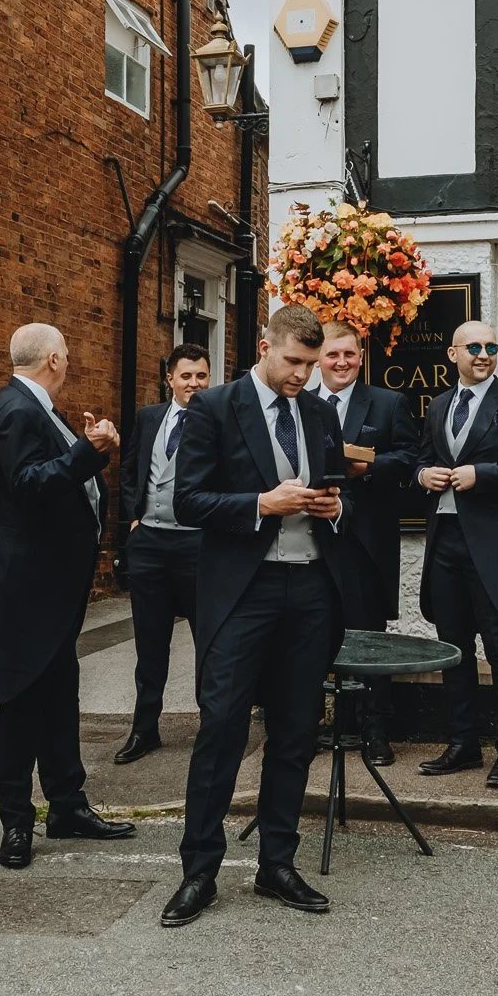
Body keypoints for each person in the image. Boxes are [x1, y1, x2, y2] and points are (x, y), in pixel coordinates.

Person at [160, 305, 350, 928]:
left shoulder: (319, 412)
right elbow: (187, 500)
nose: (302, 375)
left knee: (295, 730)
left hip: (311, 588)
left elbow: (337, 489)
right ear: (265, 347)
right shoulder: (214, 408)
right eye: (293, 361)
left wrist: (335, 509)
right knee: (222, 728)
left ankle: (277, 863)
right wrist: (261, 503)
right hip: (243, 591)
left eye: (310, 364)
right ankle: (199, 870)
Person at [0, 323, 135, 870]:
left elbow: (60, 475)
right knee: (22, 701)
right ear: (55, 359)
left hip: (52, 583)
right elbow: (29, 484)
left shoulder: (38, 408)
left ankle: (67, 804)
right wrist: (87, 450)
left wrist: (88, 449)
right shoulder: (16, 410)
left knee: (60, 694)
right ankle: (16, 821)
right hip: (26, 585)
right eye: (67, 353)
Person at [414, 320, 498, 788]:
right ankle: (463, 744)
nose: (484, 354)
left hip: (488, 543)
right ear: (453, 354)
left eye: (491, 346)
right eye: (474, 347)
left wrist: (482, 474)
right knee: (454, 648)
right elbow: (421, 458)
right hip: (444, 540)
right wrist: (423, 476)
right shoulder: (438, 405)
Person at [315, 318, 420, 765]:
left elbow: (411, 456)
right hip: (311, 536)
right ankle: (319, 725)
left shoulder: (387, 402)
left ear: (361, 357)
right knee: (311, 632)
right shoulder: (298, 403)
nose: (341, 362)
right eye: (332, 354)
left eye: (349, 354)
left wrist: (369, 466)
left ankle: (376, 730)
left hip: (365, 540)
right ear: (319, 359)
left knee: (369, 636)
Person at [114, 342, 211, 765]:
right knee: (150, 643)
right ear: (169, 378)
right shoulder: (149, 417)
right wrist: (134, 518)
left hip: (197, 544)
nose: (194, 383)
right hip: (149, 543)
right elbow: (129, 469)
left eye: (201, 376)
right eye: (186, 376)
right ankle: (144, 728)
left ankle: (212, 726)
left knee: (208, 640)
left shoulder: (218, 420)